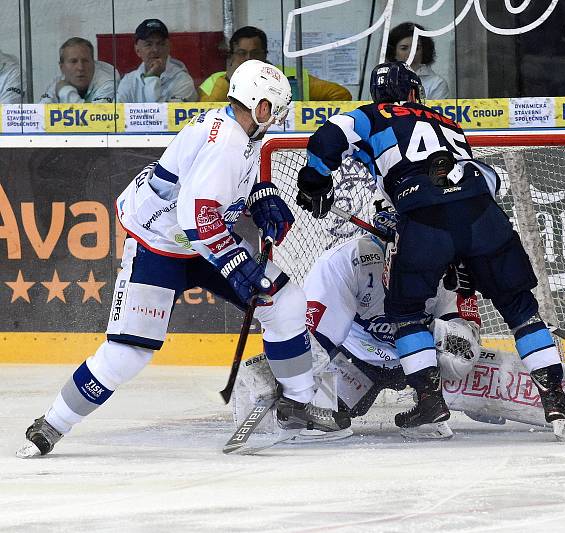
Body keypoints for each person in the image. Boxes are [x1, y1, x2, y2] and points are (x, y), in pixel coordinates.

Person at [17, 60, 346, 459]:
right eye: (274, 107)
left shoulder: (241, 129)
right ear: (258, 105)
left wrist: (261, 196)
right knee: (127, 353)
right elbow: (197, 216)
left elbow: (234, 182)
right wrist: (237, 265)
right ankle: (53, 423)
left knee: (283, 300)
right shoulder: (223, 142)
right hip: (160, 249)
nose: (277, 115)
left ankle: (296, 405)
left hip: (197, 244)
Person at [295, 61, 565, 440]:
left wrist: (315, 180)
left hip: (424, 217)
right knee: (520, 309)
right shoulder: (446, 122)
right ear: (415, 92)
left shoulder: (371, 116)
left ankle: (430, 404)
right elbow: (487, 179)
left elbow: (328, 135)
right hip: (483, 215)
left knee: (407, 315)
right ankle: (556, 402)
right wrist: (463, 251)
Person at [232, 206, 565, 443]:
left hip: (429, 368)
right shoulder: (342, 265)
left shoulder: (444, 269)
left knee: (487, 381)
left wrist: (433, 334)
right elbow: (318, 342)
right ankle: (263, 392)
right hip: (356, 360)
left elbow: (464, 351)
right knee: (314, 415)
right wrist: (294, 385)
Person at [198, 26, 351, 102]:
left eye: (256, 53)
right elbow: (204, 114)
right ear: (231, 56)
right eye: (241, 53)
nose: (249, 59)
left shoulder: (290, 76)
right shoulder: (214, 82)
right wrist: (229, 80)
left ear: (265, 54)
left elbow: (342, 95)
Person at [116, 18, 197, 103]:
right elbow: (116, 113)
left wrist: (152, 77)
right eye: (148, 44)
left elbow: (162, 114)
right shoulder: (128, 81)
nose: (155, 49)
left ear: (169, 47)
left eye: (161, 44)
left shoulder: (183, 80)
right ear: (137, 50)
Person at [40, 37, 118, 103]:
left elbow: (95, 119)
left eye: (85, 61)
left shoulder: (107, 83)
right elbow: (40, 115)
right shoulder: (57, 82)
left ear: (93, 64)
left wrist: (66, 91)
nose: (80, 67)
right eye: (73, 61)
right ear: (62, 67)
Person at [386, 22, 449, 99]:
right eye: (404, 48)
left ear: (424, 50)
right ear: (393, 52)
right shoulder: (384, 80)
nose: (411, 53)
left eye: (416, 48)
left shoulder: (437, 83)